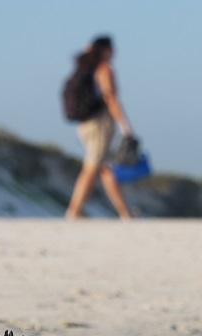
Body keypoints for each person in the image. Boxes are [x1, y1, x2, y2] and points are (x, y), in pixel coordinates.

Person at [63, 36, 133, 220]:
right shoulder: (103, 69)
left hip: (84, 124)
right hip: (99, 125)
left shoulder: (85, 67)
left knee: (106, 169)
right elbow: (111, 98)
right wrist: (125, 126)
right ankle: (74, 211)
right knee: (91, 168)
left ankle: (125, 213)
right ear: (106, 50)